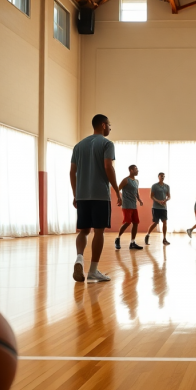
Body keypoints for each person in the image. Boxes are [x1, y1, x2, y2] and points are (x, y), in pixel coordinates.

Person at [70, 114, 119, 282]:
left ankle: (79, 259)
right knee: (99, 232)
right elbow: (108, 166)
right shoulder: (107, 144)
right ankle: (93, 271)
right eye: (110, 125)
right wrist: (117, 191)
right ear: (104, 125)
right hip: (100, 195)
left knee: (84, 231)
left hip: (82, 195)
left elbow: (72, 172)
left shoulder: (78, 146)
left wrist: (76, 194)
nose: (110, 128)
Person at [114, 165, 144, 250]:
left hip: (134, 205)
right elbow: (118, 188)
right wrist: (119, 198)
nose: (137, 170)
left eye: (137, 169)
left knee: (135, 222)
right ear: (131, 170)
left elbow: (136, 192)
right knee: (127, 222)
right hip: (126, 205)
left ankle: (132, 242)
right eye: (136, 169)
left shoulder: (137, 181)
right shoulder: (126, 180)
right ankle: (118, 239)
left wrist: (139, 200)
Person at [145, 172, 171, 246]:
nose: (162, 177)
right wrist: (158, 201)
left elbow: (169, 196)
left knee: (165, 222)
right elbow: (151, 196)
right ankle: (148, 235)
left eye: (164, 176)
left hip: (164, 208)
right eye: (161, 176)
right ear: (158, 177)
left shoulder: (167, 186)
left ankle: (164, 239)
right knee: (155, 223)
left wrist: (165, 200)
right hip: (156, 207)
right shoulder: (154, 186)